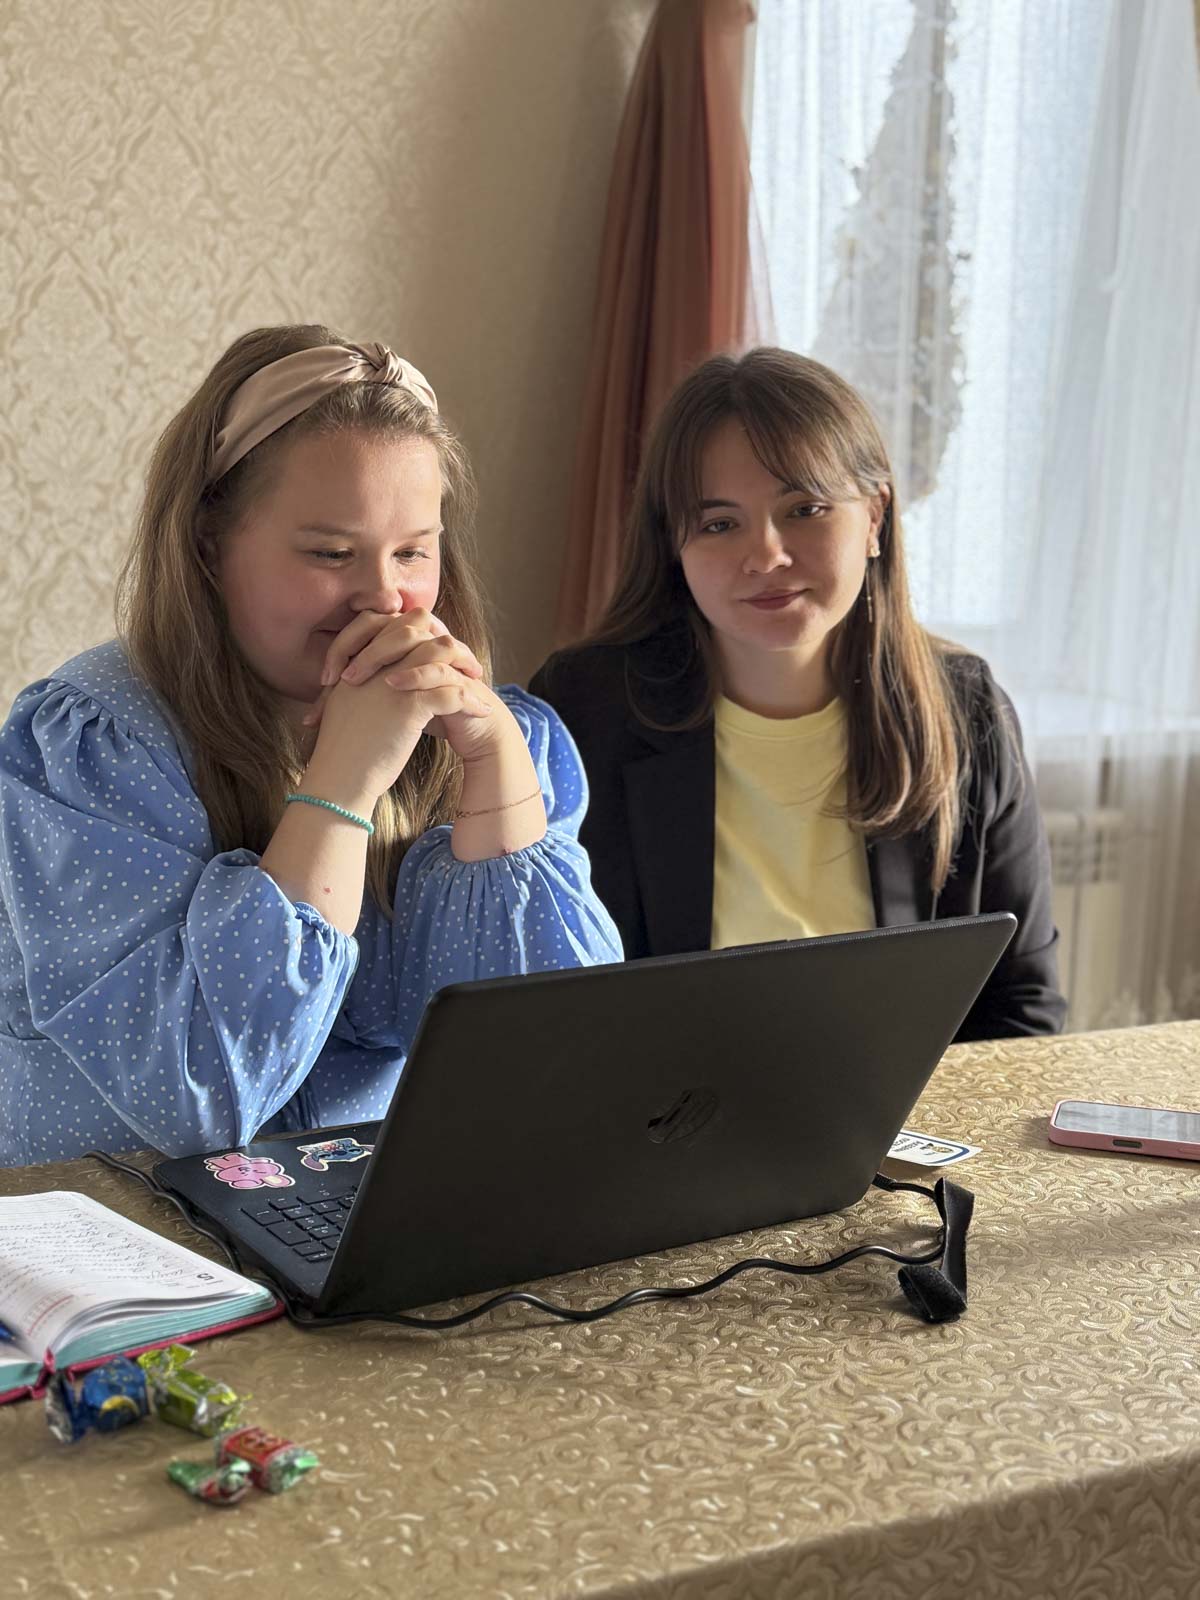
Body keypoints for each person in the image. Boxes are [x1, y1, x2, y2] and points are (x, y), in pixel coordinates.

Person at [0, 326, 621, 1167]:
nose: (383, 597)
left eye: (413, 552)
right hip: (117, 1228)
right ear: (209, 542)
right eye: (331, 553)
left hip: (358, 1221)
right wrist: (344, 784)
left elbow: (560, 1073)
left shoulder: (494, 738)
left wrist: (495, 768)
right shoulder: (96, 747)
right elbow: (194, 1097)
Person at [531, 347, 1065, 1040]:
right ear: (674, 545)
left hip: (905, 1106)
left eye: (805, 508)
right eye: (720, 523)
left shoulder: (966, 711)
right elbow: (545, 1003)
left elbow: (1022, 1007)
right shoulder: (584, 710)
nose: (767, 556)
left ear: (874, 518)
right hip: (661, 1105)